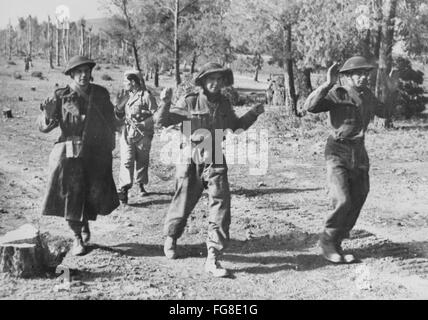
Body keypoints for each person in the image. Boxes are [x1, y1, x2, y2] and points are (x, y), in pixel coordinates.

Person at [155, 62, 265, 277]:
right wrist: (165, 103)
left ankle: (213, 255)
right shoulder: (190, 101)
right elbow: (163, 121)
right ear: (203, 82)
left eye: (219, 79)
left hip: (215, 154)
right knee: (183, 201)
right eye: (210, 79)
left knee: (221, 204)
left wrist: (254, 113)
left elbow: (236, 127)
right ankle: (171, 236)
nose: (215, 83)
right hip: (191, 155)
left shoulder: (224, 104)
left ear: (224, 82)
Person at [303, 56, 397, 264]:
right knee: (342, 199)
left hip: (359, 152)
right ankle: (327, 241)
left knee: (359, 196)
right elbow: (309, 107)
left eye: (366, 73)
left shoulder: (368, 96)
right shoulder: (338, 93)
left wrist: (391, 90)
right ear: (346, 76)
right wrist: (327, 83)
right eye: (358, 73)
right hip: (337, 150)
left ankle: (337, 241)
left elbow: (387, 112)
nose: (363, 77)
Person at [38, 55, 120, 256]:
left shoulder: (100, 94)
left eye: (86, 71)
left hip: (96, 152)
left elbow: (113, 121)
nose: (83, 75)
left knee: (93, 191)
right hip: (70, 153)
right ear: (72, 74)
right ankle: (76, 236)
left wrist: (120, 111)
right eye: (79, 72)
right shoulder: (61, 96)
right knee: (72, 193)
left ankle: (84, 224)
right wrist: (48, 115)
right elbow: (43, 127)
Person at [115, 70, 158, 204]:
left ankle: (140, 184)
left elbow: (157, 115)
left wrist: (144, 124)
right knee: (127, 160)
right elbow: (118, 116)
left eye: (126, 81)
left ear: (133, 82)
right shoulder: (125, 96)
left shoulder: (146, 96)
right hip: (127, 133)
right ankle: (124, 190)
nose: (124, 84)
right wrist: (118, 108)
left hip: (143, 134)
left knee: (142, 160)